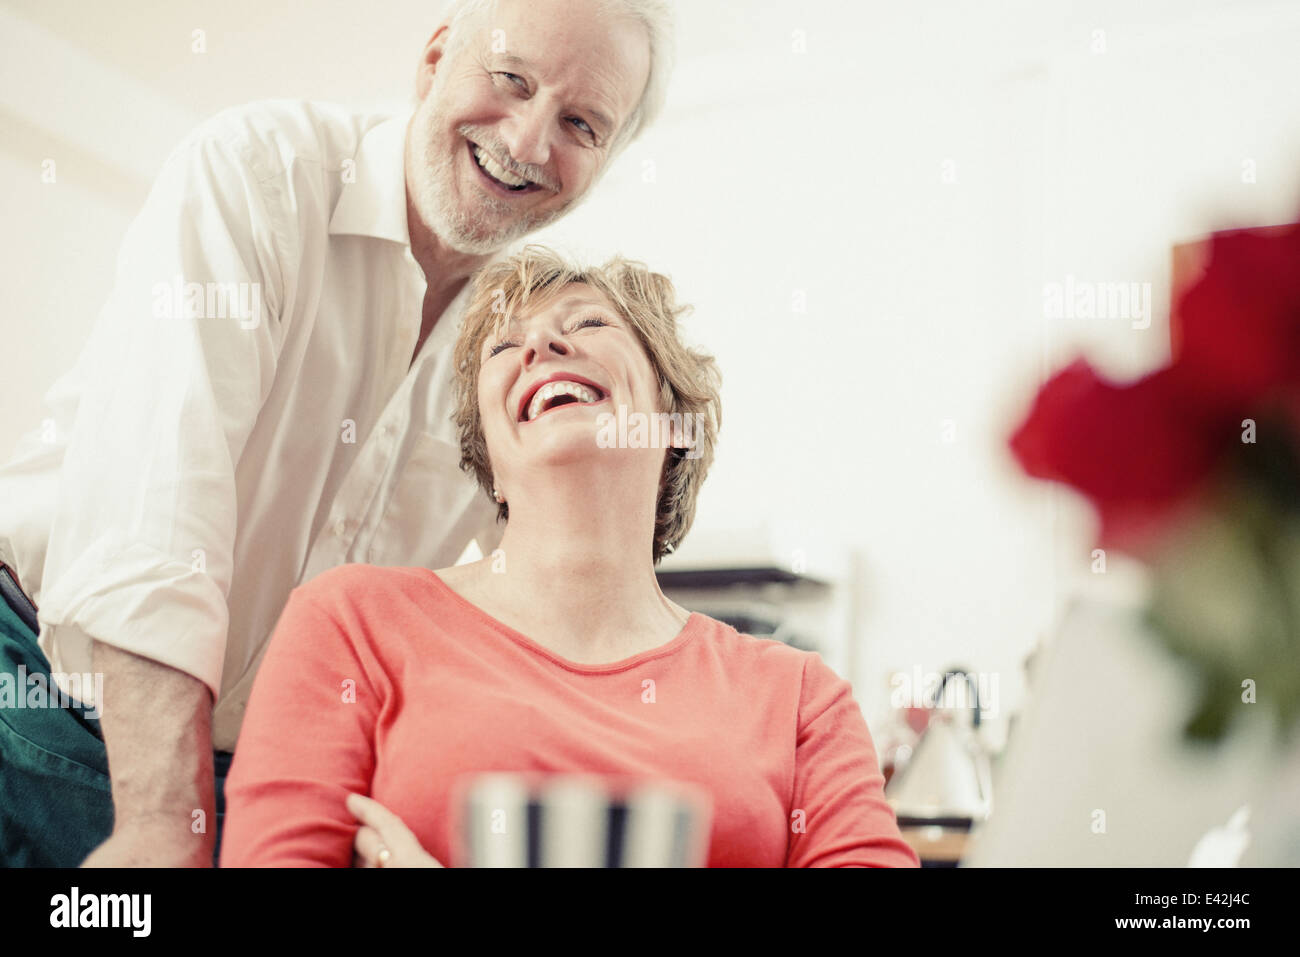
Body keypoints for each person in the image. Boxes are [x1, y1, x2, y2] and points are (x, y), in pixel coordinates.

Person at [0, 0, 673, 867]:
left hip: (250, 777)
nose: (530, 140)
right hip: (37, 695)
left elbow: (512, 616)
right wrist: (164, 825)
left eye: (582, 123)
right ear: (436, 58)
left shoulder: (523, 345)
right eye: (512, 79)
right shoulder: (256, 172)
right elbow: (157, 513)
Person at [219, 246, 920, 867]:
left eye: (588, 324)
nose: (541, 344)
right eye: (504, 345)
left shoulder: (801, 699)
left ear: (674, 420)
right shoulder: (350, 623)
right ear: (486, 456)